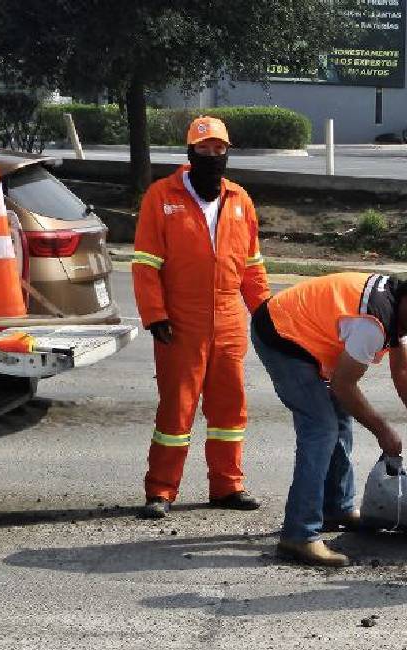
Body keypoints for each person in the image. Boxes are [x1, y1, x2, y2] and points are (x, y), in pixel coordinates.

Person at [250, 271, 407, 567]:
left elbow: (402, 371)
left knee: (341, 417)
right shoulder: (372, 321)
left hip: (305, 330)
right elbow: (343, 385)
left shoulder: (398, 307)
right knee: (322, 428)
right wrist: (382, 430)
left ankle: (336, 507)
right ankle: (298, 535)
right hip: (281, 334)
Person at [132, 116, 270, 519]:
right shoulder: (162, 196)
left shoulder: (240, 200)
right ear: (190, 152)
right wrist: (155, 314)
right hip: (181, 321)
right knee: (176, 410)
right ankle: (160, 490)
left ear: (227, 152)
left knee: (230, 409)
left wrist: (265, 313)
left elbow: (252, 267)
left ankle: (227, 486)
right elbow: (144, 264)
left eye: (219, 150)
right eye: (204, 149)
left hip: (228, 319)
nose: (212, 156)